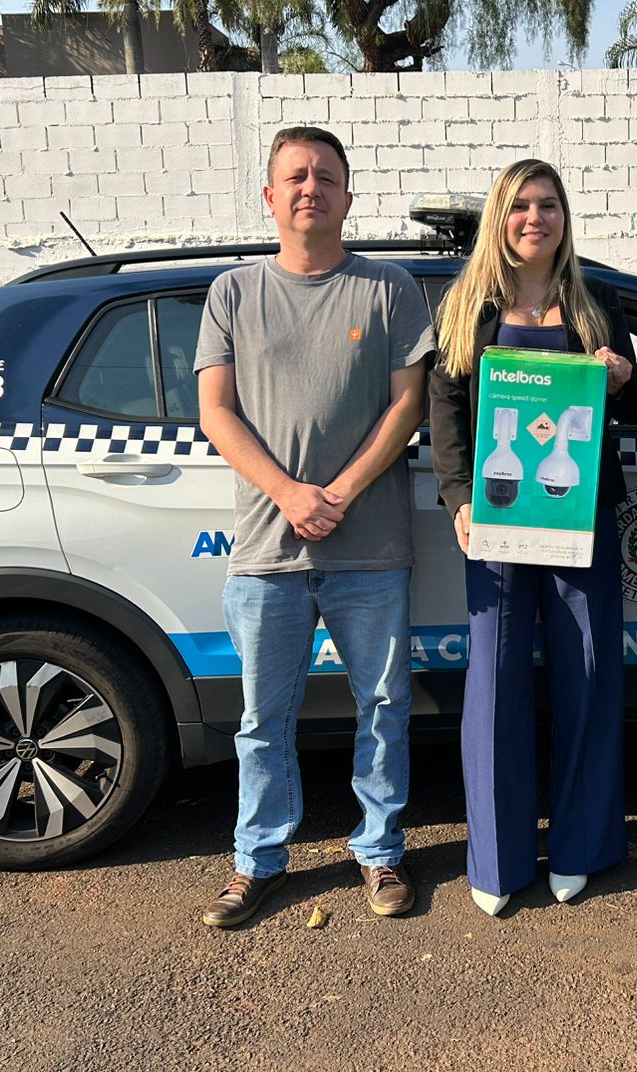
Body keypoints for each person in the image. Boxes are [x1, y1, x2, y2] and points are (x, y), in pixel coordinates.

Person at [194, 126, 434, 927]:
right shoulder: (233, 293)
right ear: (270, 196)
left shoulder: (390, 288)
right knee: (263, 721)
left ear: (347, 197)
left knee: (383, 707)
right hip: (267, 549)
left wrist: (338, 491)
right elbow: (216, 413)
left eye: (326, 177)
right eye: (295, 176)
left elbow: (409, 404)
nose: (310, 188)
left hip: (372, 550)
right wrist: (292, 495)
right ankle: (257, 860)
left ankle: (380, 849)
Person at [429, 159, 637, 917]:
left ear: (564, 217)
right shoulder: (465, 304)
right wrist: (458, 498)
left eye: (548, 205)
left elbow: (636, 405)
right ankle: (497, 858)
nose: (535, 218)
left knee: (588, 673)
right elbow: (446, 409)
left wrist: (623, 378)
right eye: (520, 205)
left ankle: (582, 847)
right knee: (494, 685)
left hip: (580, 518)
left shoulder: (596, 302)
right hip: (496, 519)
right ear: (500, 216)